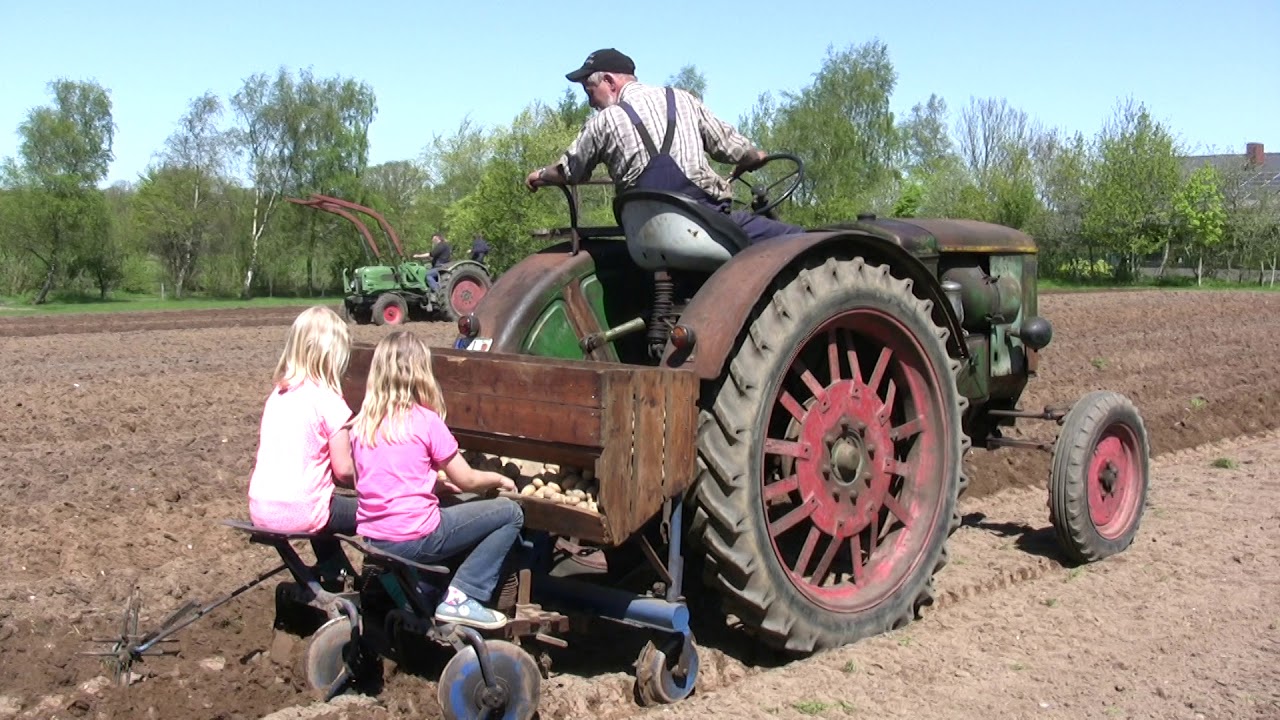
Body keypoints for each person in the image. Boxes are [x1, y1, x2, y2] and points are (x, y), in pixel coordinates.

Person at [524, 48, 803, 244]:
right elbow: (731, 148)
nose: (590, 102)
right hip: (706, 224)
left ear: (609, 81)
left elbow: (569, 171)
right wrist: (755, 156)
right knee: (799, 241)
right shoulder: (682, 99)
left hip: (643, 234)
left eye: (589, 91)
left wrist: (540, 175)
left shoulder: (602, 122)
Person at [349, 330, 522, 630]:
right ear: (420, 373)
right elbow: (467, 480)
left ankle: (415, 593)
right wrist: (499, 478)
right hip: (417, 536)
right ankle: (463, 595)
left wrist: (431, 485)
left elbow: (374, 479)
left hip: (376, 538)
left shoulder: (361, 425)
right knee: (510, 513)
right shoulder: (425, 421)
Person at [246, 306, 357, 573]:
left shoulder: (278, 396)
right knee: (387, 511)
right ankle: (390, 585)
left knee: (323, 498)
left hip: (261, 508)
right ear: (333, 356)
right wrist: (379, 483)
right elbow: (344, 470)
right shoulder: (329, 400)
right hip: (303, 510)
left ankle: (334, 572)